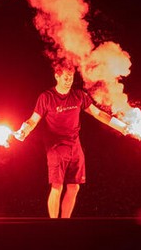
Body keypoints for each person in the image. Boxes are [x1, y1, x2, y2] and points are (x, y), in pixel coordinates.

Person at [14, 62, 131, 218]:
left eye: (71, 77)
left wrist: (120, 126)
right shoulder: (46, 97)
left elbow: (98, 114)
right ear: (57, 76)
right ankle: (54, 226)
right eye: (66, 77)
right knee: (57, 186)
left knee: (74, 187)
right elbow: (33, 120)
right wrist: (24, 131)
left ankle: (65, 223)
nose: (69, 80)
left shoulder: (79, 96)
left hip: (75, 146)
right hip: (55, 147)